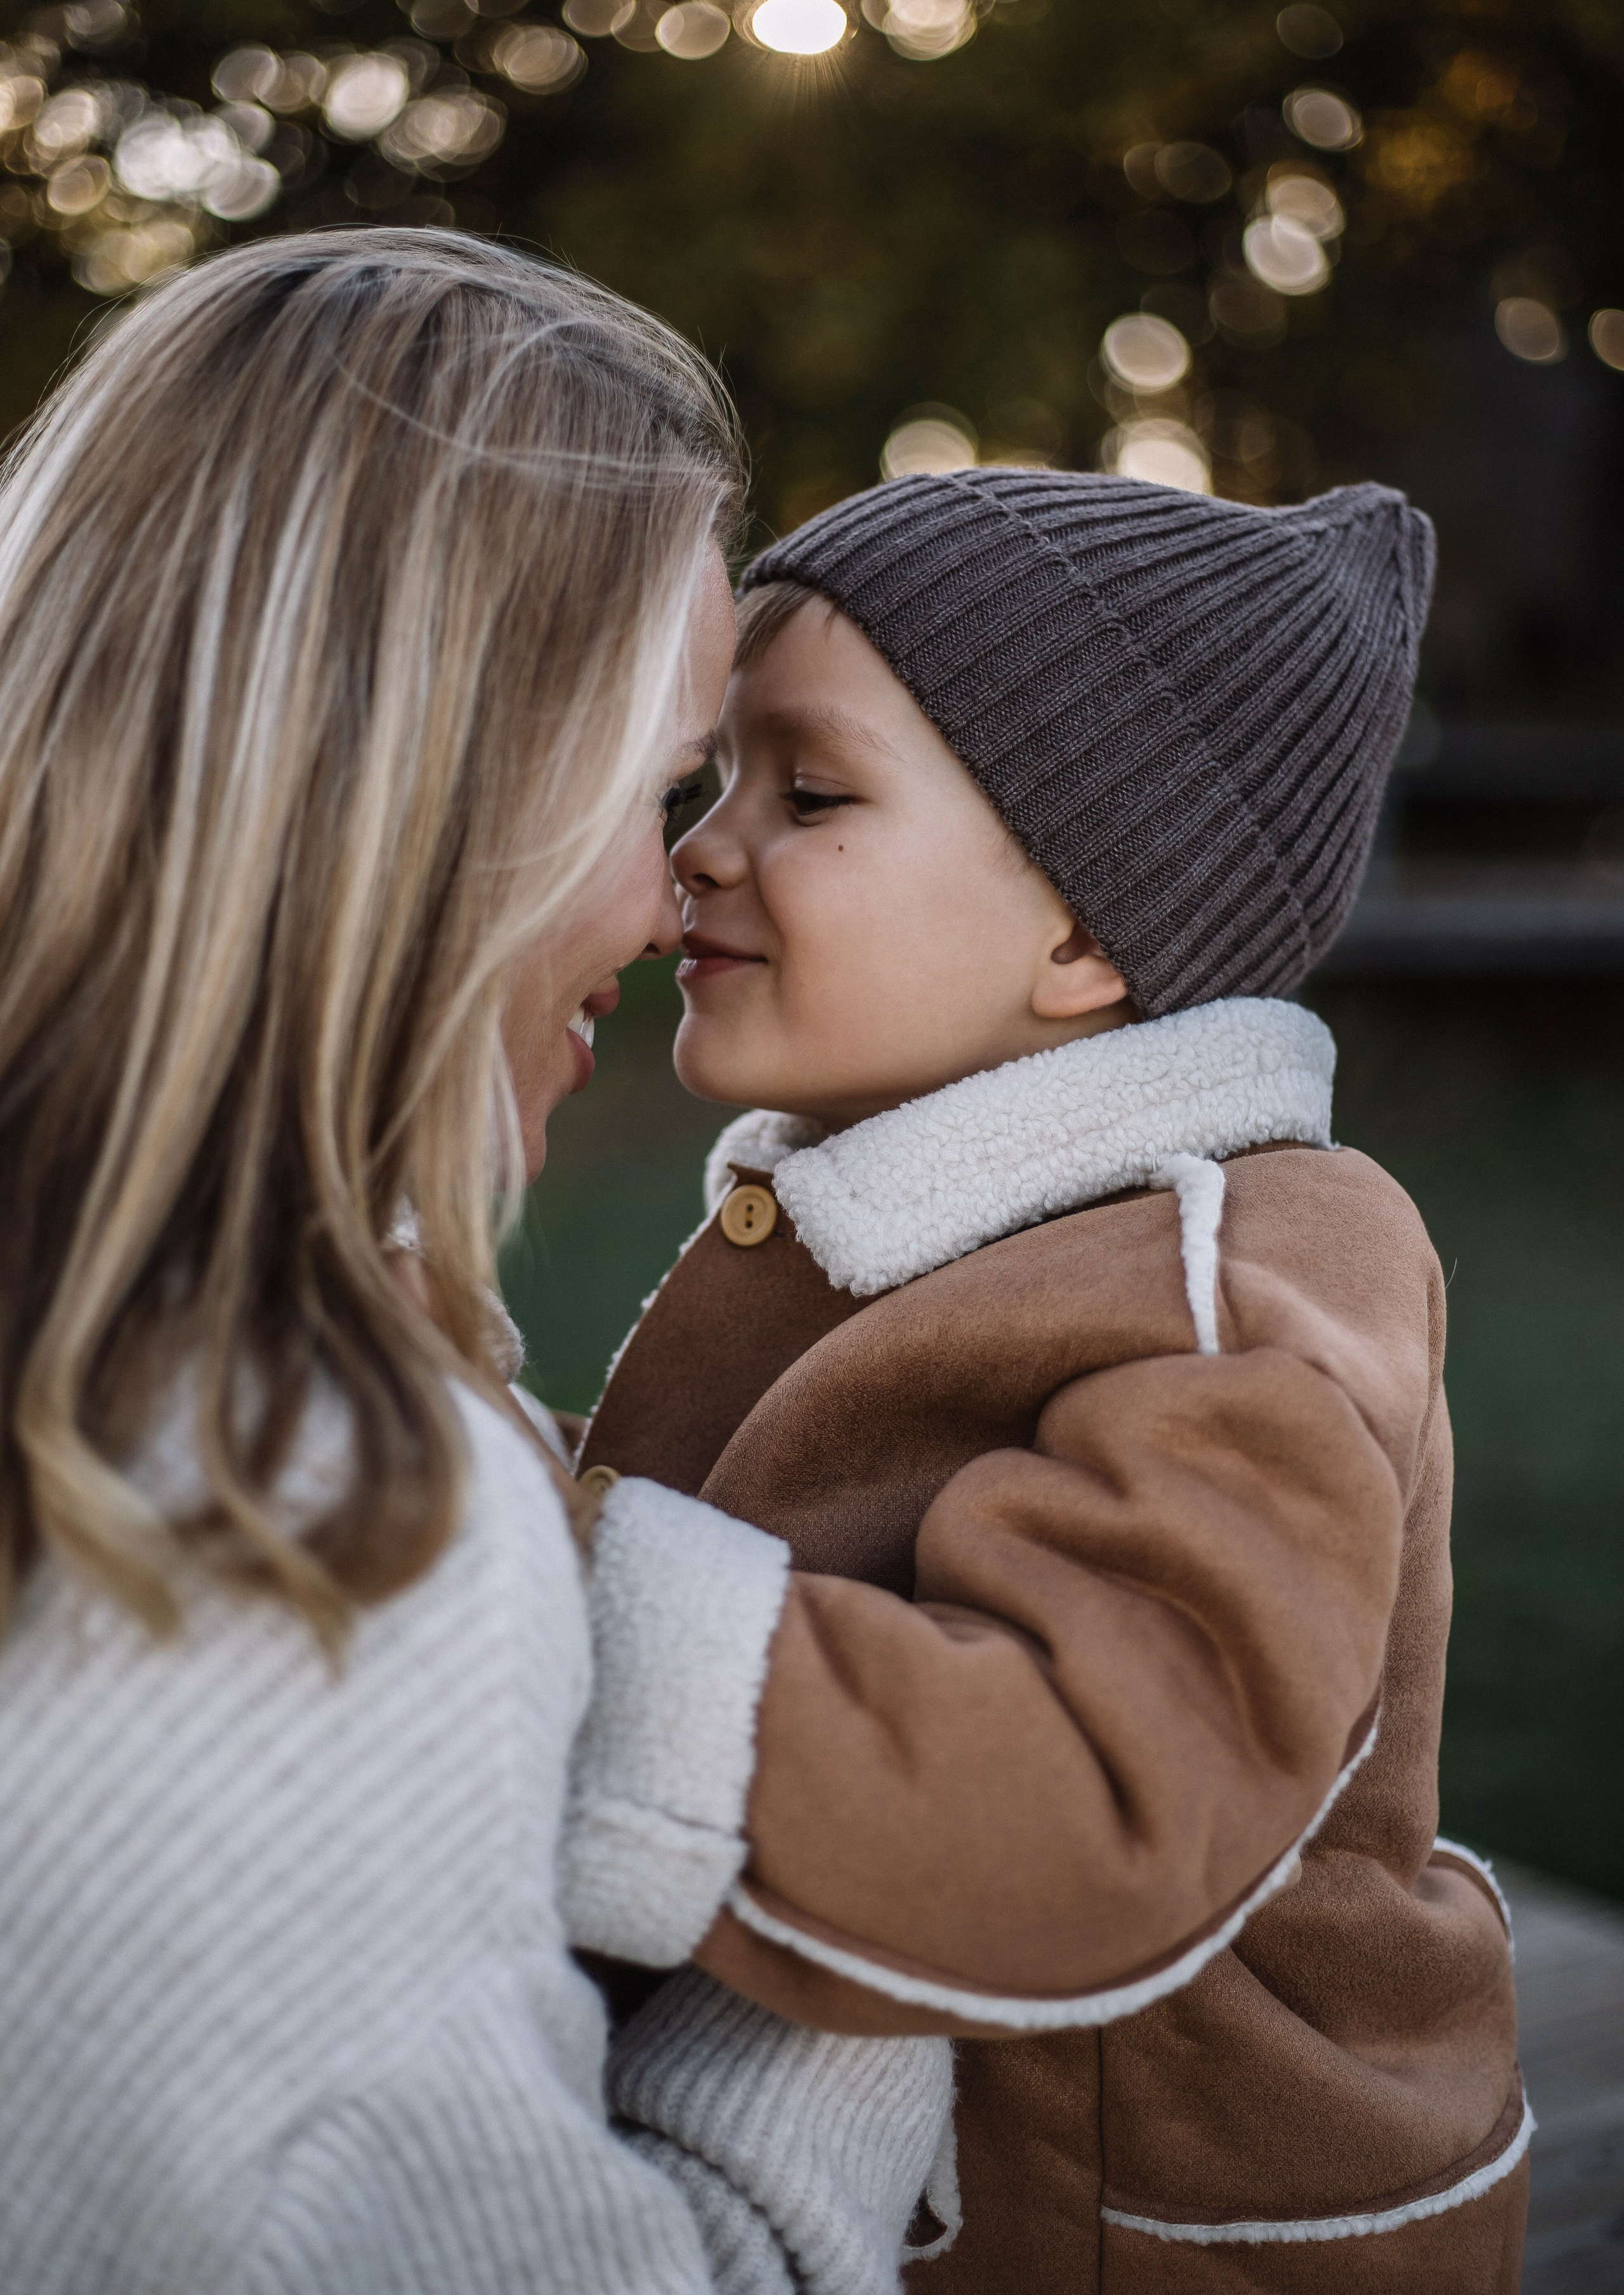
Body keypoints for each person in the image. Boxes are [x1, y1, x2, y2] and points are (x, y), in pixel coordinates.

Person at [0, 230, 952, 2295]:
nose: (682, 881)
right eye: (653, 784)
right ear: (425, 787)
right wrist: (899, 1964)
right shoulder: (317, 1505)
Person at [563, 469, 1528, 2291]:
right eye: (715, 782)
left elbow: (1095, 1801)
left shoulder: (1235, 1272)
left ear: (1088, 933)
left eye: (812, 794)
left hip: (1136, 2233)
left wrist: (544, 1583)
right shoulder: (920, 1211)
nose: (699, 845)